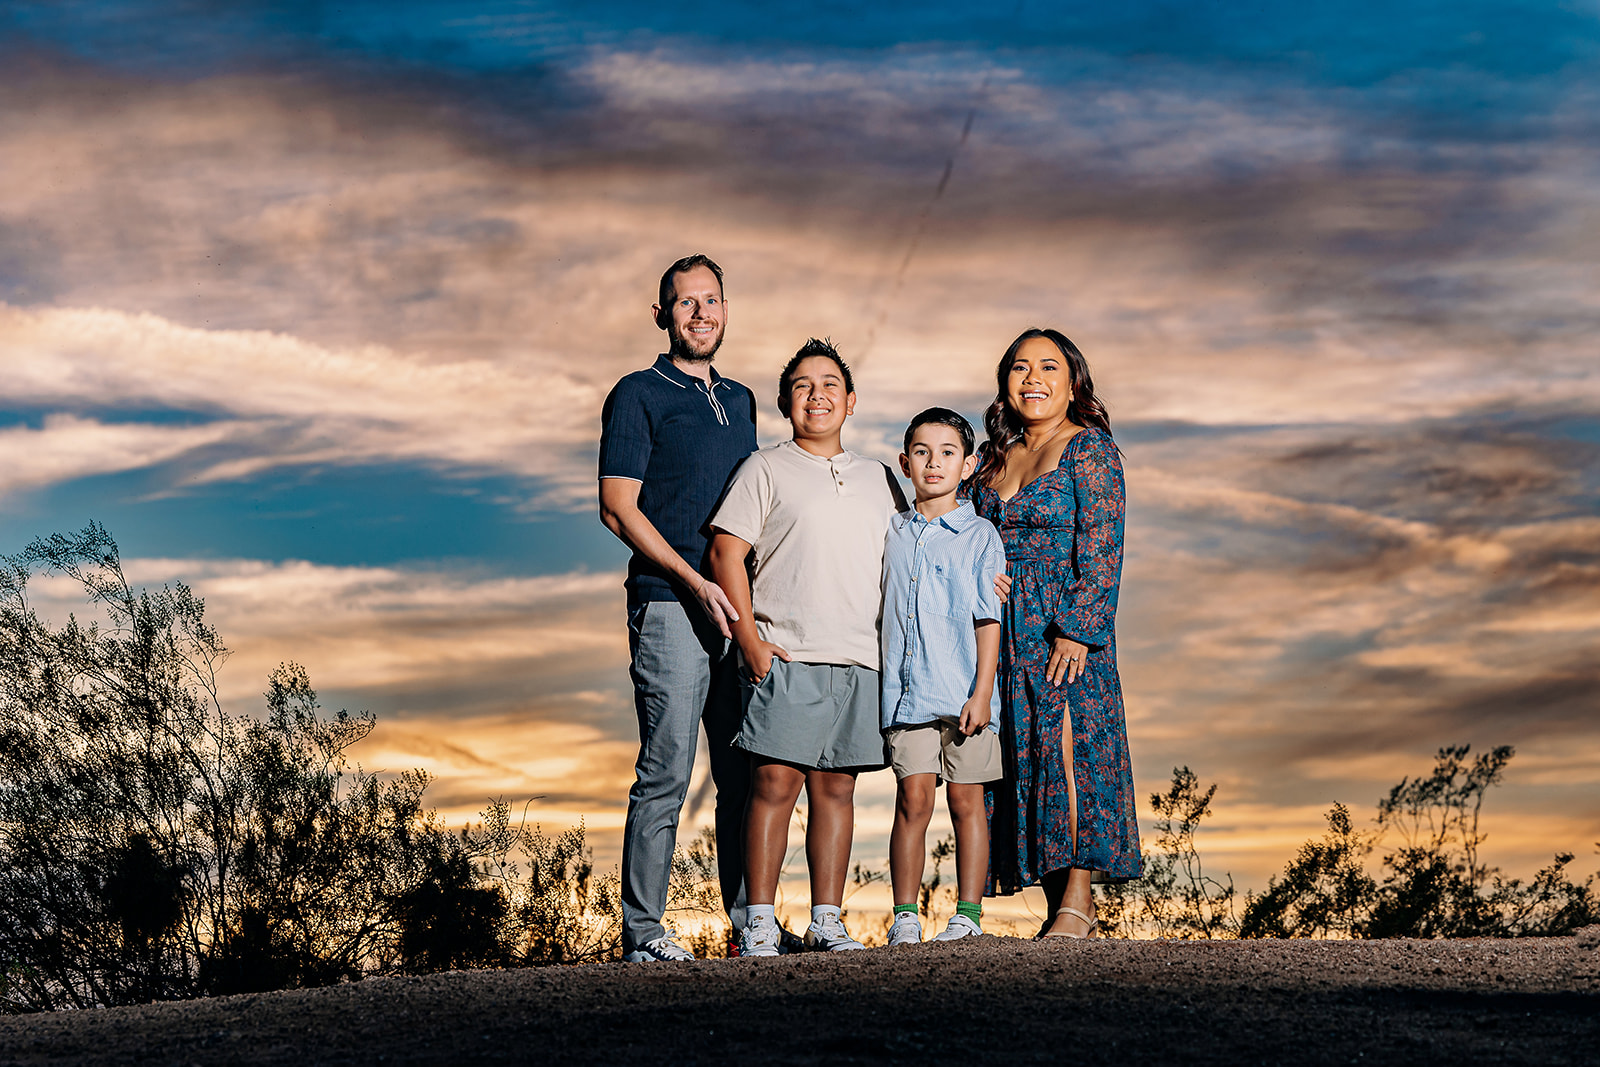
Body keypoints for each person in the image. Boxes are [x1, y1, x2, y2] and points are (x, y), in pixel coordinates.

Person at [707, 338, 904, 956]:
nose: (816, 395)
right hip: (786, 653)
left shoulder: (881, 478)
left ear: (850, 401)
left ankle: (826, 920)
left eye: (828, 385)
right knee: (773, 784)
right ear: (785, 403)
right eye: (801, 386)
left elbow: (918, 550)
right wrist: (752, 643)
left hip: (862, 657)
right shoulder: (764, 468)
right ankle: (758, 922)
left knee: (837, 789)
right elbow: (725, 554)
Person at [598, 254, 756, 962]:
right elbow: (616, 508)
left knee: (741, 771)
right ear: (663, 314)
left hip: (738, 607)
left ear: (726, 308)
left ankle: (747, 925)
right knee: (666, 766)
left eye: (711, 300)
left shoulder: (745, 400)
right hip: (670, 603)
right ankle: (644, 932)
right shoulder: (637, 393)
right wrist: (693, 582)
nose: (701, 314)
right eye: (686, 303)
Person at [966, 327, 1141, 938]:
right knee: (1021, 759)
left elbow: (1102, 544)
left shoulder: (1089, 450)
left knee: (1066, 752)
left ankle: (1077, 904)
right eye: (1019, 367)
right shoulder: (992, 458)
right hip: (999, 631)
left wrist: (1078, 629)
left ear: (1073, 383)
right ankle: (1058, 907)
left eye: (1047, 367)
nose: (1032, 378)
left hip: (1063, 628)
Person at [880, 408, 1007, 946]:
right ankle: (905, 915)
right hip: (908, 695)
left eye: (949, 453)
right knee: (913, 801)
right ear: (905, 463)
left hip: (965, 697)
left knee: (966, 802)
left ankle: (969, 915)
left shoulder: (980, 536)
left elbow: (987, 617)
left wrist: (982, 692)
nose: (935, 463)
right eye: (923, 453)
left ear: (969, 464)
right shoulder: (893, 530)